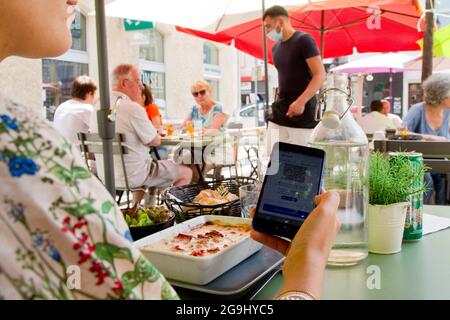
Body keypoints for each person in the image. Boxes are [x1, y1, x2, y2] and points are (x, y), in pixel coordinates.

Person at [0, 0, 340, 300]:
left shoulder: (40, 132)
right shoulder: (20, 146)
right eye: (137, 82)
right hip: (152, 184)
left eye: (201, 93)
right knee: (190, 172)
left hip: (122, 179)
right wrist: (306, 273)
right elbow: (154, 141)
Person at [107, 64, 192, 207]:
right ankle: (166, 214)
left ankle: (145, 208)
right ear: (124, 83)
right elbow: (155, 140)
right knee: (187, 173)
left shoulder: (98, 105)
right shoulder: (132, 108)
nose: (141, 86)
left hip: (107, 175)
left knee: (156, 170)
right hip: (135, 175)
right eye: (138, 81)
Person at [263, 5, 326, 152]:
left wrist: (300, 102)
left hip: (303, 111)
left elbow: (320, 74)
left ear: (280, 22)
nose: (267, 32)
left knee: (304, 160)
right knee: (271, 157)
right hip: (281, 109)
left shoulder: (303, 40)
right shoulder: (275, 48)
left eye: (268, 26)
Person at [403, 73, 450, 205]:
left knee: (443, 181)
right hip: (419, 161)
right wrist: (431, 137)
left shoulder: (447, 111)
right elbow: (401, 132)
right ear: (441, 93)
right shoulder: (418, 109)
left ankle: (442, 216)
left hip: (443, 160)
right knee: (426, 181)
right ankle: (420, 214)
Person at [53, 75, 97, 147]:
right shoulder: (86, 109)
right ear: (89, 94)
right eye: (94, 94)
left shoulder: (61, 107)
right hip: (77, 155)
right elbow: (103, 131)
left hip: (60, 152)